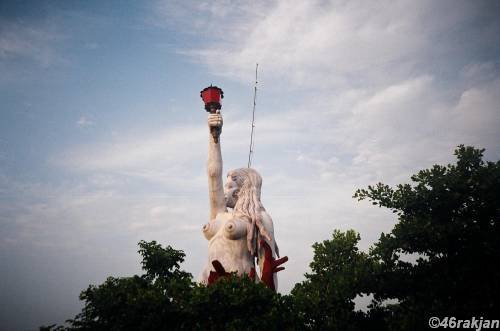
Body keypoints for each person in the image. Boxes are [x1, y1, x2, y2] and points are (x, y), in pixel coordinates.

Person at [200, 110, 286, 290]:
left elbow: (268, 266)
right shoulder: (220, 213)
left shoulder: (259, 219)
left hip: (240, 290)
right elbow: (213, 174)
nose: (224, 190)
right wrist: (214, 136)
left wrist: (268, 300)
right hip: (206, 290)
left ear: (242, 191)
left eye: (230, 185)